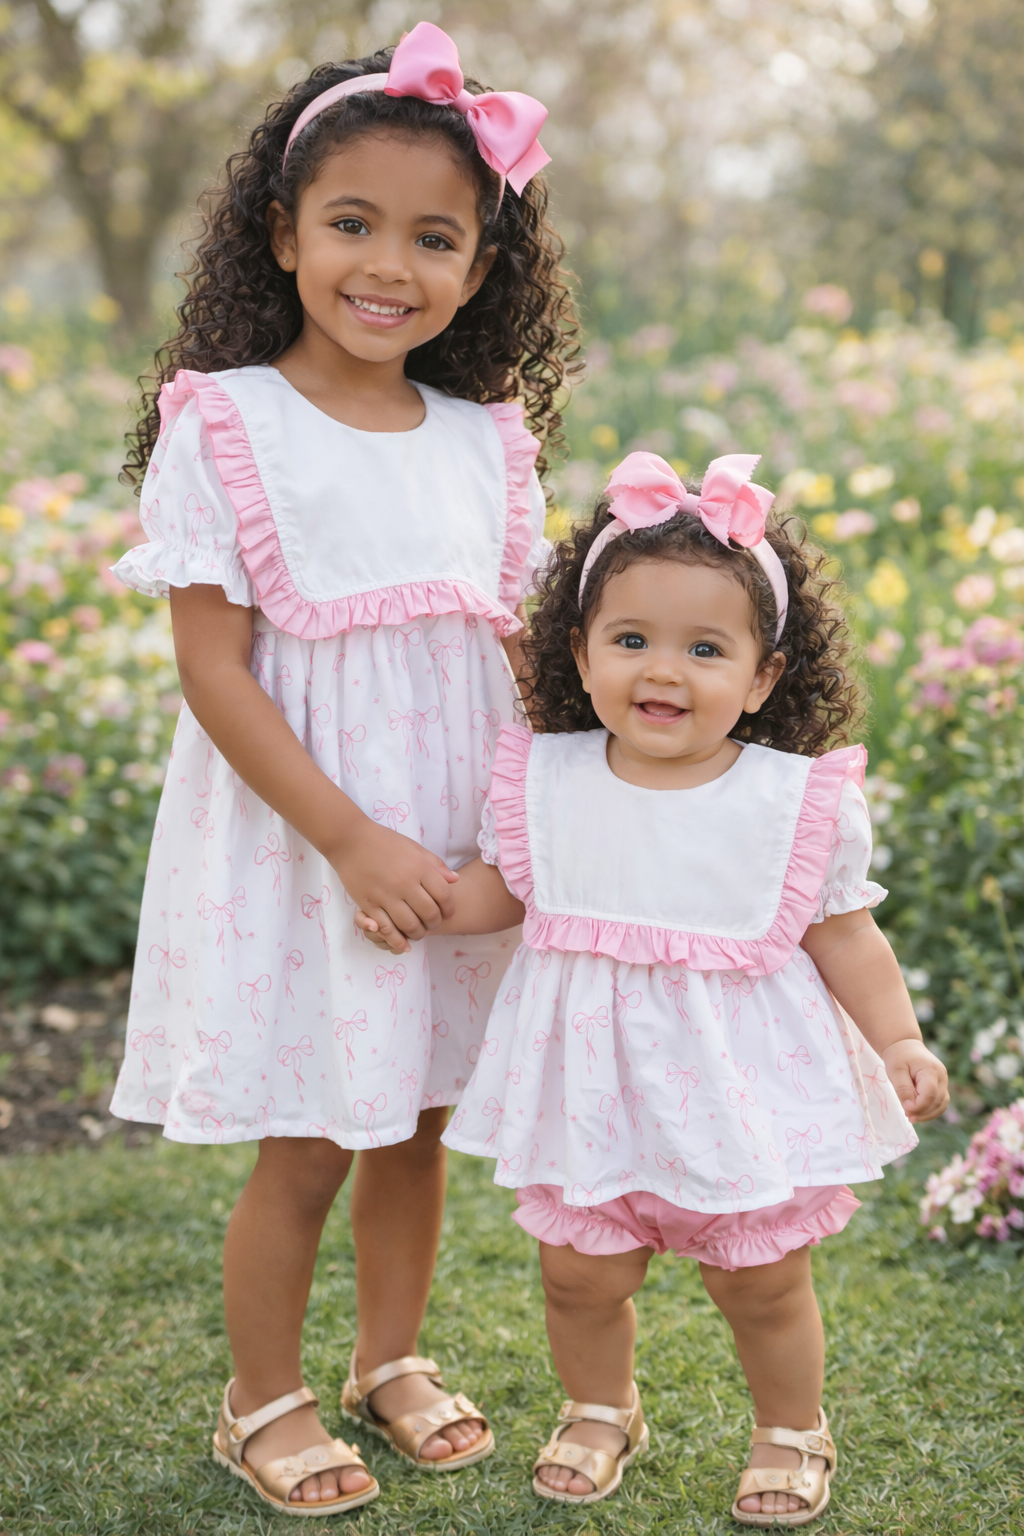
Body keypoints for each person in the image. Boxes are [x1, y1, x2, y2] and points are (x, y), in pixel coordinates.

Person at [110, 22, 577, 1517]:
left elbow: (512, 666)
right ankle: (265, 1398)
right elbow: (214, 670)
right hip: (310, 839)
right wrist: (350, 840)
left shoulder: (486, 441)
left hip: (446, 840)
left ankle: (391, 1359)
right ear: (283, 233)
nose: (391, 265)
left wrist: (511, 847)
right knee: (314, 1133)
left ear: (481, 264)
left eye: (435, 236)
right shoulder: (228, 422)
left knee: (420, 1120)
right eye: (353, 224)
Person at [358, 450, 949, 1524]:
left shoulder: (789, 803)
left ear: (763, 676)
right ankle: (599, 1406)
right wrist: (423, 901)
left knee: (759, 1281)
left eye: (704, 649)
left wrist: (899, 1041)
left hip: (739, 1093)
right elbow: (502, 892)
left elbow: (848, 937)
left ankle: (789, 1428)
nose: (661, 671)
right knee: (581, 1276)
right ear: (578, 655)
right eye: (629, 640)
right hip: (592, 1089)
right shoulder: (547, 778)